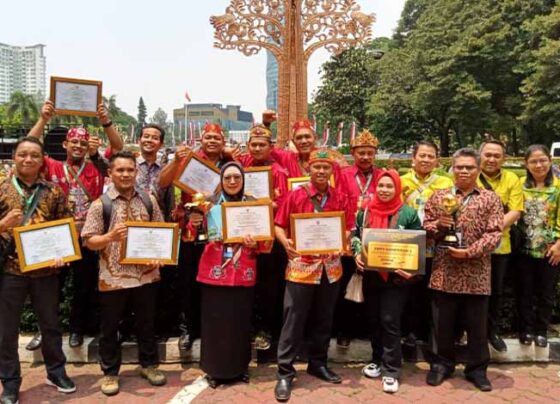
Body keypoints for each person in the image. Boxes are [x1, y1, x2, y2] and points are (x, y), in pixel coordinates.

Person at [26, 100, 123, 348]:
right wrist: (43, 119)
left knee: (84, 286)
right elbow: (30, 145)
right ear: (65, 145)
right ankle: (44, 330)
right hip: (58, 236)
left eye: (83, 142)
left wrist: (106, 122)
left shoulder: (96, 169)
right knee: (51, 286)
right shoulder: (53, 166)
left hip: (87, 236)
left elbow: (118, 148)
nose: (78, 146)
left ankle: (78, 329)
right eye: (74, 142)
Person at [81, 151, 166, 396]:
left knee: (147, 323)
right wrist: (109, 237)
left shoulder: (148, 199)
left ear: (136, 172)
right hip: (113, 278)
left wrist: (158, 253)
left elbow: (160, 231)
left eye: (130, 170)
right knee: (110, 327)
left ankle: (149, 365)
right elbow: (89, 240)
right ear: (110, 173)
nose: (126, 174)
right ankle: (109, 372)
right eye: (120, 170)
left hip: (146, 275)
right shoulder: (101, 204)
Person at [0, 137, 76, 404]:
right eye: (23, 154)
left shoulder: (53, 191)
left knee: (51, 325)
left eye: (34, 155)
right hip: (11, 270)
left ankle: (56, 372)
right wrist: (2, 225)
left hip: (46, 271)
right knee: (6, 329)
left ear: (42, 159)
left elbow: (65, 225)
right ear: (14, 157)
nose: (28, 159)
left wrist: (62, 255)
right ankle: (10, 382)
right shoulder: (1, 188)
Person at [274, 149, 354, 402]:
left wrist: (345, 240)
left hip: (330, 268)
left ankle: (318, 363)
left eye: (326, 168)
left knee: (323, 318)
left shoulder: (340, 197)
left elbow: (349, 227)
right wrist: (285, 242)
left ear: (332, 171)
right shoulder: (295, 195)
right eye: (317, 167)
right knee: (293, 319)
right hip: (301, 267)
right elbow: (278, 224)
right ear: (309, 169)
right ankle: (285, 371)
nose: (321, 171)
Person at [423, 148, 503, 392]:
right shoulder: (439, 197)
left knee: (477, 326)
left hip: (476, 272)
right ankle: (440, 365)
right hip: (445, 270)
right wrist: (438, 224)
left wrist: (470, 251)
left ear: (478, 170)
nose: (464, 171)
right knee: (442, 323)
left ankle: (477, 369)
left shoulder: (490, 199)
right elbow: (424, 227)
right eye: (460, 167)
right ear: (452, 169)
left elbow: (495, 234)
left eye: (469, 167)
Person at [158, 122, 232, 352]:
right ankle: (189, 329)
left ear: (223, 142)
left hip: (221, 231)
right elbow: (162, 183)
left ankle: (213, 328)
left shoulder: (230, 164)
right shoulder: (190, 161)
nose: (211, 141)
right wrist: (176, 160)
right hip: (192, 228)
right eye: (208, 137)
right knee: (188, 280)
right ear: (201, 139)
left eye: (216, 138)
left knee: (219, 280)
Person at [195, 162, 269, 387]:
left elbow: (265, 243)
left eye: (237, 177)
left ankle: (239, 368)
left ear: (243, 179)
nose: (233, 181)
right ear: (221, 180)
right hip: (215, 271)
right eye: (228, 178)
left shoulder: (254, 204)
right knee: (215, 322)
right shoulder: (208, 205)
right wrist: (196, 224)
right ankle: (214, 370)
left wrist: (256, 242)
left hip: (243, 271)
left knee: (240, 321)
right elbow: (193, 235)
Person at [351, 170, 422, 393]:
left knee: (390, 320)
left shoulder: (408, 214)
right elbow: (356, 235)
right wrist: (355, 254)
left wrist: (412, 269)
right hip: (371, 276)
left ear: (397, 189)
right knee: (373, 319)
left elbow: (417, 243)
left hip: (396, 279)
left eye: (389, 186)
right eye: (380, 185)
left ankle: (392, 369)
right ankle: (377, 359)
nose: (384, 190)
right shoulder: (365, 212)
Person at [237, 123, 289, 350]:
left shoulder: (279, 172)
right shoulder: (242, 167)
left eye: (262, 145)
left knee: (269, 286)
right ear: (248, 146)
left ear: (271, 148)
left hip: (269, 236)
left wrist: (273, 204)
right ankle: (247, 327)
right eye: (253, 144)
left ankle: (267, 330)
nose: (257, 148)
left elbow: (288, 204)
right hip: (246, 232)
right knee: (247, 282)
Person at [400, 141, 453, 344]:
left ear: (437, 161)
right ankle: (409, 332)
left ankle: (429, 333)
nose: (426, 159)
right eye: (422, 155)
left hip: (435, 243)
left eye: (431, 156)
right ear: (413, 159)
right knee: (408, 290)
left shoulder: (446, 183)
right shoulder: (401, 181)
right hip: (409, 244)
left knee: (431, 291)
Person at [335, 129, 381, 348]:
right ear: (353, 153)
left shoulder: (382, 176)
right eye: (361, 152)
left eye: (369, 153)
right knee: (345, 285)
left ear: (375, 154)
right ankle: (344, 330)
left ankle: (369, 330)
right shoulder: (342, 175)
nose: (365, 157)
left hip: (374, 237)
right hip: (347, 235)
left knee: (372, 286)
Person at [476, 140, 523, 352]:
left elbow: (515, 211)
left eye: (497, 155)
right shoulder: (470, 174)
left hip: (499, 246)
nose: (492, 159)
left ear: (503, 158)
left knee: (495, 291)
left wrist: (490, 231)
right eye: (488, 154)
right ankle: (469, 331)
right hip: (472, 246)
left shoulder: (511, 179)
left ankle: (492, 331)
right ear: (480, 155)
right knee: (471, 291)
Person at [516, 145, 560, 348]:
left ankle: (542, 330)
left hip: (550, 250)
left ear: (550, 161)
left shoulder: (558, 187)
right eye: (533, 161)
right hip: (523, 248)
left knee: (546, 292)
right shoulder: (519, 186)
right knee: (524, 291)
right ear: (526, 164)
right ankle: (526, 330)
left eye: (542, 160)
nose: (538, 165)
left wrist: (559, 245)